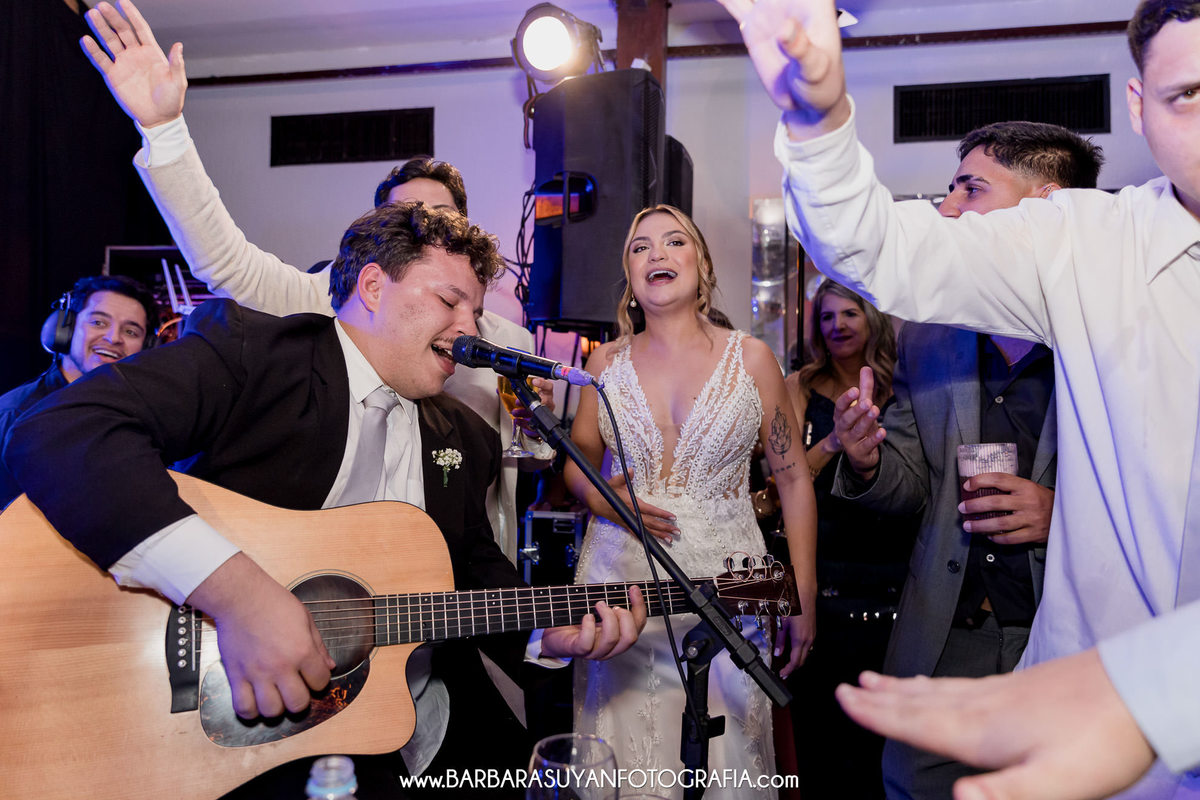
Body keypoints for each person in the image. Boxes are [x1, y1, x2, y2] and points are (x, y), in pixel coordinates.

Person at [4, 202, 646, 799]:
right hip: (234, 731)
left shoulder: (468, 438)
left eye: (475, 313)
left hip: (415, 723)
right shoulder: (256, 355)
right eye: (450, 301)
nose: (467, 330)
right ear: (372, 287)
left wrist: (546, 632)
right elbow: (60, 432)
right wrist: (238, 596)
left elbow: (475, 566)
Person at [720, 0, 1200, 796]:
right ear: (1139, 106)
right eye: (1189, 94)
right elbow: (877, 246)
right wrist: (818, 116)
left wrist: (1158, 690)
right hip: (1066, 705)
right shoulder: (1084, 246)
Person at [79, 0, 553, 564]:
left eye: (441, 220)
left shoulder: (503, 341)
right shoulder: (319, 300)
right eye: (406, 218)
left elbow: (517, 467)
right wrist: (164, 131)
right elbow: (226, 261)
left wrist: (535, 427)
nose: (426, 230)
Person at [827, 120, 1103, 800]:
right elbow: (914, 485)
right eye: (950, 189)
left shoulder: (1112, 329)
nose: (947, 208)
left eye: (971, 189)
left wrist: (1063, 515)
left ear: (1046, 204)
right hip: (948, 637)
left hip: (1072, 636)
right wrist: (865, 459)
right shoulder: (928, 334)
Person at [564, 204, 818, 798]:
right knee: (627, 765)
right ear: (630, 278)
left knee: (731, 766)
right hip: (622, 592)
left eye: (674, 241)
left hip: (734, 587)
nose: (656, 253)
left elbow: (793, 479)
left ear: (701, 266)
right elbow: (575, 466)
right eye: (640, 247)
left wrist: (802, 588)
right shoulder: (602, 364)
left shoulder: (752, 358)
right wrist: (601, 501)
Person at [782, 278, 917, 799]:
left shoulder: (903, 385)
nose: (836, 326)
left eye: (848, 314)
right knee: (822, 747)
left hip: (895, 579)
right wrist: (837, 440)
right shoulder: (799, 386)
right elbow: (783, 479)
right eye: (826, 316)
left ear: (871, 319)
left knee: (886, 755)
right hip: (825, 575)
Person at [0, 274, 158, 507]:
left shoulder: (141, 420)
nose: (113, 338)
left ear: (146, 348)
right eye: (98, 323)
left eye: (131, 332)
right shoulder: (15, 415)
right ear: (64, 329)